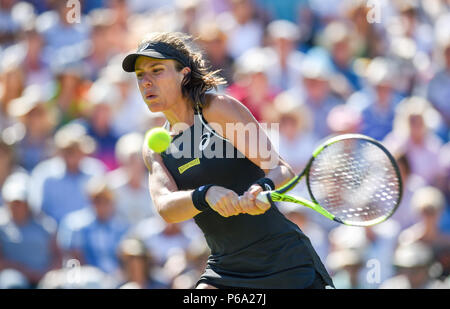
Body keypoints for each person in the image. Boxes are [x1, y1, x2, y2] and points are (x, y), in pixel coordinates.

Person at [121, 31, 334, 289]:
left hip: (284, 259)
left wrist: (262, 187)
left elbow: (281, 169)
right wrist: (205, 195)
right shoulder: (154, 147)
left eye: (156, 70)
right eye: (140, 75)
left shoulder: (217, 109)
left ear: (183, 73)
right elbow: (166, 207)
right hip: (226, 268)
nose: (146, 82)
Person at [0, 172, 61, 288]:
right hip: (15, 276)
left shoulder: (46, 225)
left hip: (44, 277)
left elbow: (58, 256)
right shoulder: (1, 225)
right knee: (12, 283)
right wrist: (26, 272)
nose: (16, 206)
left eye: (20, 202)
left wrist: (49, 274)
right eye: (13, 202)